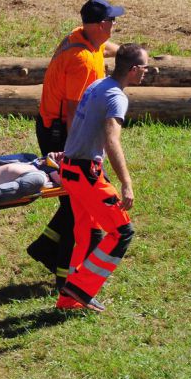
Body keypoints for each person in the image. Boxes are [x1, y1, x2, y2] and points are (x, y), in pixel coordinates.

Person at [27, 0, 123, 295]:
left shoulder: (83, 36)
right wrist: (74, 155)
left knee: (73, 201)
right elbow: (72, 111)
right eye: (111, 21)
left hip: (55, 126)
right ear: (96, 25)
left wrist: (128, 57)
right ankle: (64, 277)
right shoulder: (80, 61)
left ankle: (45, 248)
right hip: (61, 134)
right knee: (78, 202)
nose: (114, 25)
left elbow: (106, 47)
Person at [56, 43, 148, 311]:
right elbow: (111, 141)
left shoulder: (97, 85)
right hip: (85, 173)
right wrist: (126, 182)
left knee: (86, 233)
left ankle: (69, 301)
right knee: (122, 231)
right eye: (145, 67)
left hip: (71, 170)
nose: (148, 72)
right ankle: (80, 289)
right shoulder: (116, 97)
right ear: (133, 70)